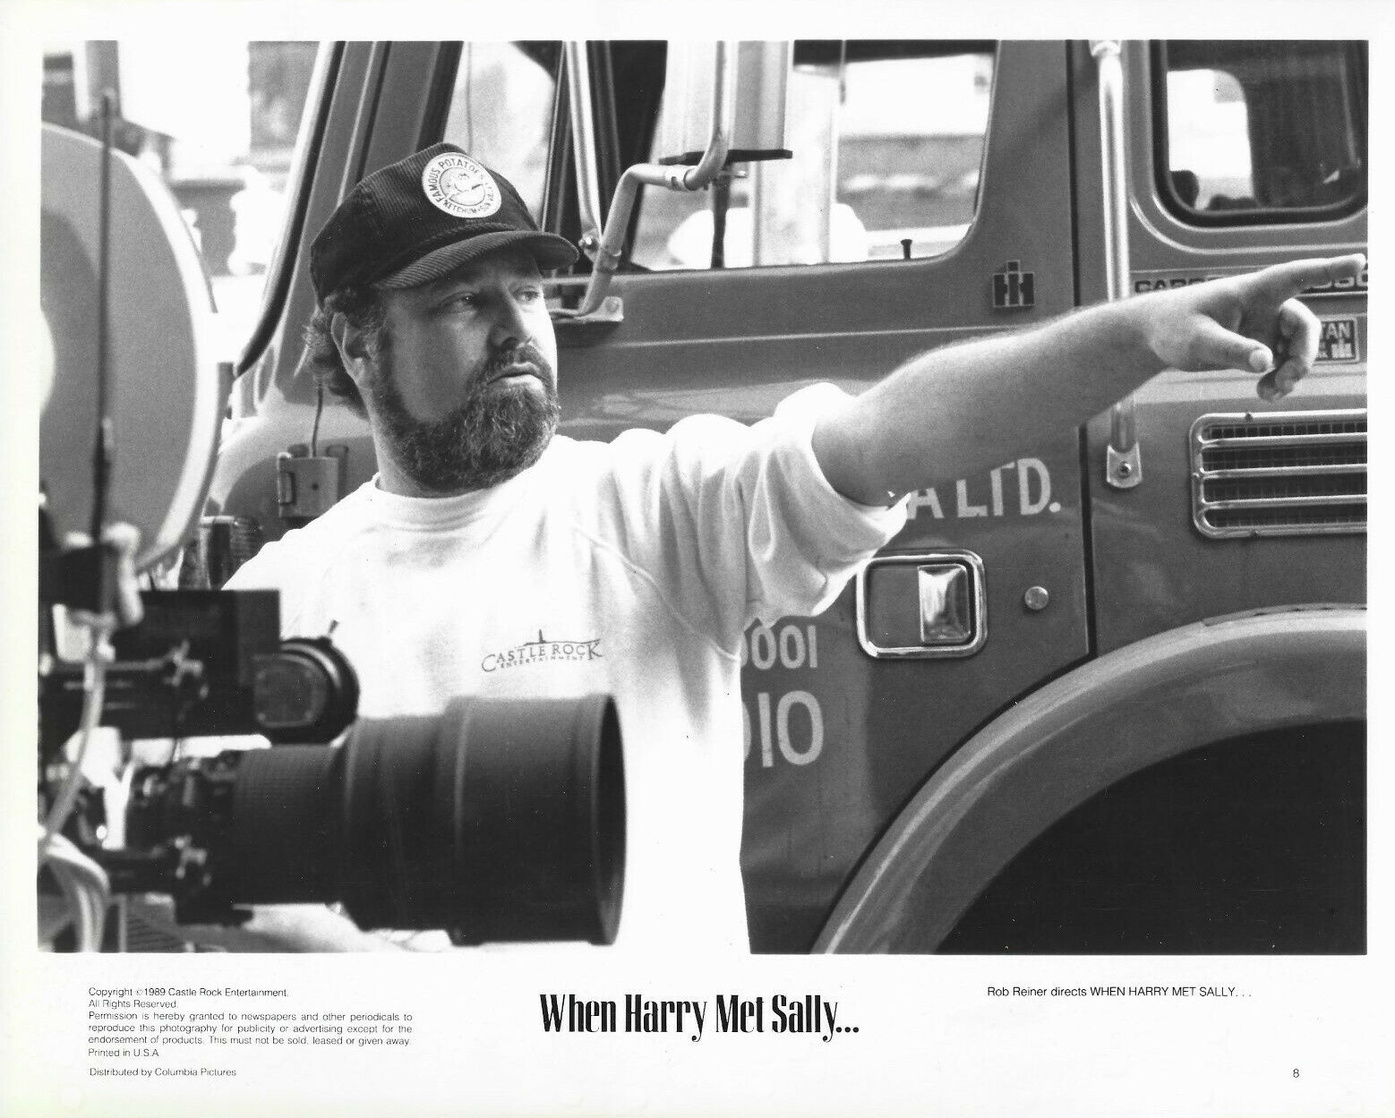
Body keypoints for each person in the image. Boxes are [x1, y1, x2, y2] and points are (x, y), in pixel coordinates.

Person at [202, 142, 1363, 952]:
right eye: (464, 302)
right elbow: (196, 887)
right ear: (356, 342)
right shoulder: (272, 598)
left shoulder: (651, 506)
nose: (519, 330)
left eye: (533, 293)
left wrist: (1139, 333)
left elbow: (885, 435)